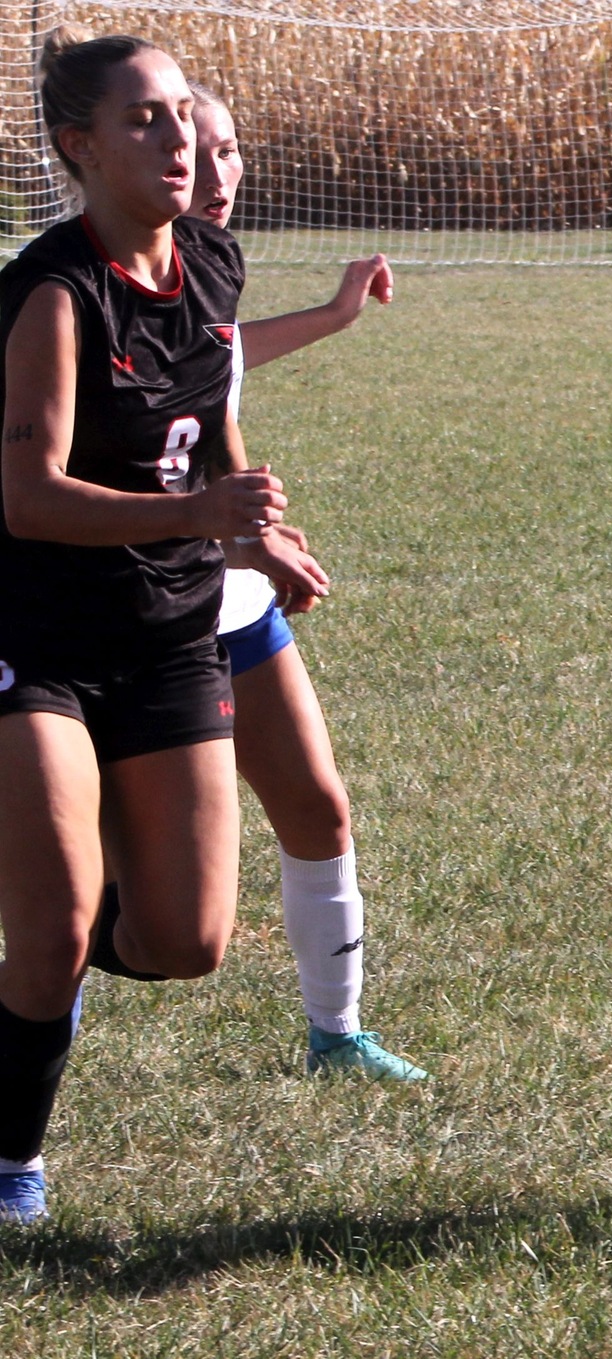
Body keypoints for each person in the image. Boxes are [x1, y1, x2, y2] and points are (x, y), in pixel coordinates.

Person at [0, 30, 329, 1222]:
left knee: (187, 940)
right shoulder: (53, 292)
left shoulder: (211, 262)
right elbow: (26, 499)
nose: (176, 136)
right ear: (80, 149)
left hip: (172, 633)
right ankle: (11, 1167)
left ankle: (32, 979)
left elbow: (212, 427)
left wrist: (254, 536)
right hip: (39, 644)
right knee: (55, 927)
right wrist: (199, 512)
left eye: (181, 112)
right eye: (143, 119)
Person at [186, 84, 425, 1080]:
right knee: (115, 900)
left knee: (318, 808)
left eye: (228, 151)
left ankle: (337, 1035)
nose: (211, 174)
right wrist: (234, 539)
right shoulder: (71, 289)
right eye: (190, 150)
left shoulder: (204, 267)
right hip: (133, 613)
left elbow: (218, 367)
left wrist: (331, 316)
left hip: (231, 598)